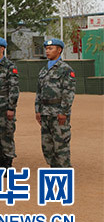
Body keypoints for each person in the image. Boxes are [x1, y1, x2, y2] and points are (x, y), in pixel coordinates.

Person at [35, 39, 75, 168]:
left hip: (58, 113)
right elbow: (39, 92)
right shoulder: (43, 70)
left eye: (51, 48)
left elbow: (68, 93)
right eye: (46, 49)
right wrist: (37, 110)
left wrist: (63, 112)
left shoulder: (65, 70)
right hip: (45, 113)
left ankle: (65, 171)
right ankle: (54, 170)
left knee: (61, 145)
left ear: (59, 50)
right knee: (47, 146)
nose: (47, 51)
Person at [0, 37, 20, 169]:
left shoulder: (9, 66)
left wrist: (11, 107)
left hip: (4, 107)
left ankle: (7, 163)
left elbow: (14, 88)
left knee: (6, 135)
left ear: (2, 49)